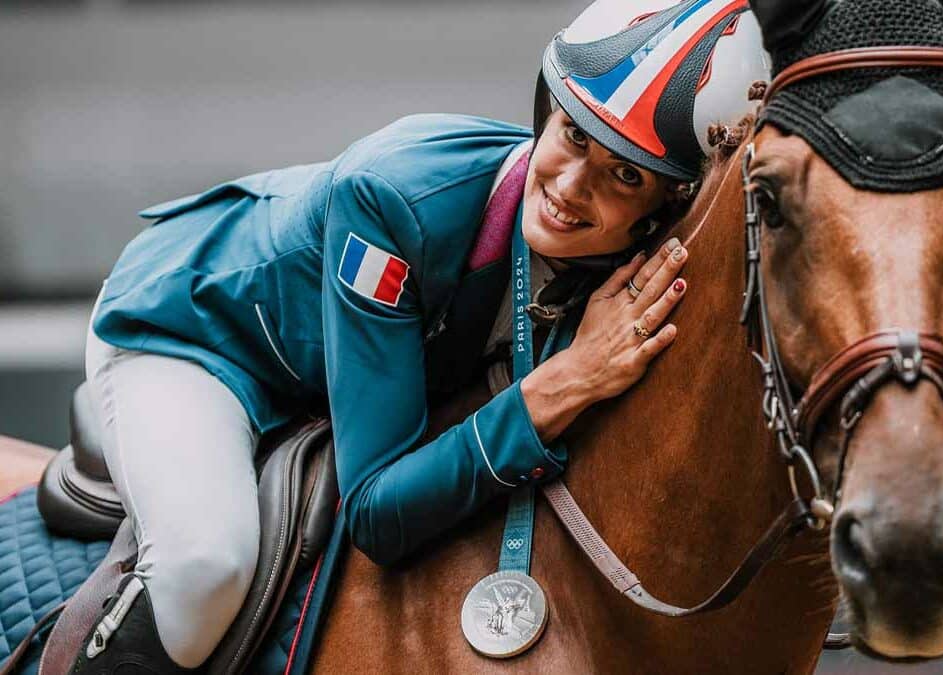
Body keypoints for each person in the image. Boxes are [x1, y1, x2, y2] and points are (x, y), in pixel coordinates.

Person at [75, 1, 769, 671]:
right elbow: (375, 512)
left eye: (624, 174)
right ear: (543, 111)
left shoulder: (628, 271)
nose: (569, 185)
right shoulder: (391, 199)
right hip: (193, 331)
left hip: (324, 360)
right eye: (573, 134)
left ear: (669, 205)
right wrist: (566, 381)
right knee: (204, 569)